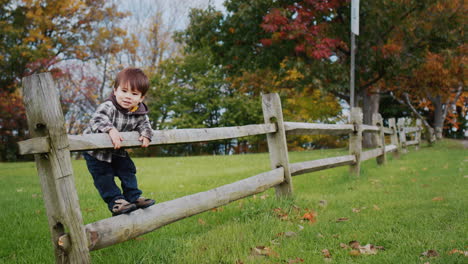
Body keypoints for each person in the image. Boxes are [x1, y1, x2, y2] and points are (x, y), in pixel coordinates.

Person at [83, 67, 155, 216]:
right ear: (115, 91)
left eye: (134, 94)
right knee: (104, 176)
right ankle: (116, 202)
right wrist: (111, 130)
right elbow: (97, 119)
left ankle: (134, 197)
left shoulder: (138, 111)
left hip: (118, 150)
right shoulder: (108, 106)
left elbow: (145, 124)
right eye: (124, 91)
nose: (128, 96)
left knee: (128, 170)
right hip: (96, 152)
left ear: (141, 98)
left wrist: (146, 134)